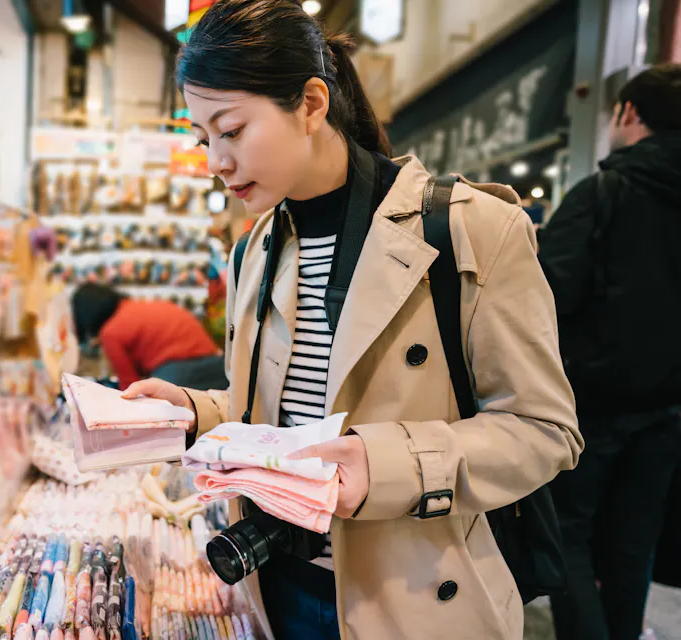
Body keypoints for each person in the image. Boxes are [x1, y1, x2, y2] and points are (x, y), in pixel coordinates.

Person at [120, 1, 582, 638]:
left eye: (231, 130)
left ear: (311, 103)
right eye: (204, 139)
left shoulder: (470, 228)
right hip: (275, 583)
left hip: (414, 598)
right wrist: (196, 413)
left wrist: (386, 464)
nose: (214, 163)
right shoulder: (253, 250)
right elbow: (276, 418)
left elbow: (543, 429)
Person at [538, 64, 681, 640]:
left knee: (568, 536)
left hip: (592, 405)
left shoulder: (603, 193)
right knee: (632, 543)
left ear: (630, 114)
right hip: (669, 408)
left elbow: (546, 295)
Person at [70, 283, 228, 391]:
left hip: (176, 376)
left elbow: (130, 385)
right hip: (217, 366)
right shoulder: (145, 306)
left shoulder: (111, 332)